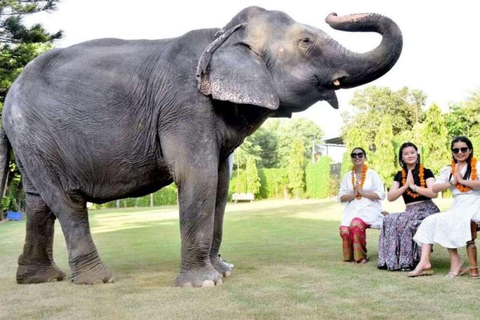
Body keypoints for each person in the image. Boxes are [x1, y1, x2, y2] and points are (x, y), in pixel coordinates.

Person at [408, 136, 480, 277]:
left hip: (475, 202)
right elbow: (435, 188)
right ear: (452, 152)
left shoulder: (477, 165)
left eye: (463, 149)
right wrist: (452, 183)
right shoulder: (448, 170)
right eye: (456, 150)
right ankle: (424, 262)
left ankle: (456, 263)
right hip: (458, 204)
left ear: (470, 150)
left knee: (449, 219)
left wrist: (462, 180)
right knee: (431, 220)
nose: (460, 152)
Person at [377, 142, 440, 271]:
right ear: (402, 158)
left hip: (427, 208)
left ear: (417, 154)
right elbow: (390, 197)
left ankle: (412, 261)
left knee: (407, 222)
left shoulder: (426, 172)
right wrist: (405, 186)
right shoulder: (399, 175)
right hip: (410, 210)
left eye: (412, 152)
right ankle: (392, 261)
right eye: (406, 154)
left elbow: (434, 193)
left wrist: (414, 187)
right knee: (389, 219)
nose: (410, 155)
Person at [338, 147, 385, 264]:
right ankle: (350, 256)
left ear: (365, 157)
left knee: (356, 223)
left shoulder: (372, 174)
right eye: (354, 155)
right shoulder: (347, 176)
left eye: (360, 155)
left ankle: (361, 257)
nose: (357, 157)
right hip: (352, 207)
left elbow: (381, 194)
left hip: (369, 207)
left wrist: (363, 193)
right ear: (351, 158)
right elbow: (341, 197)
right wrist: (353, 194)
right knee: (344, 229)